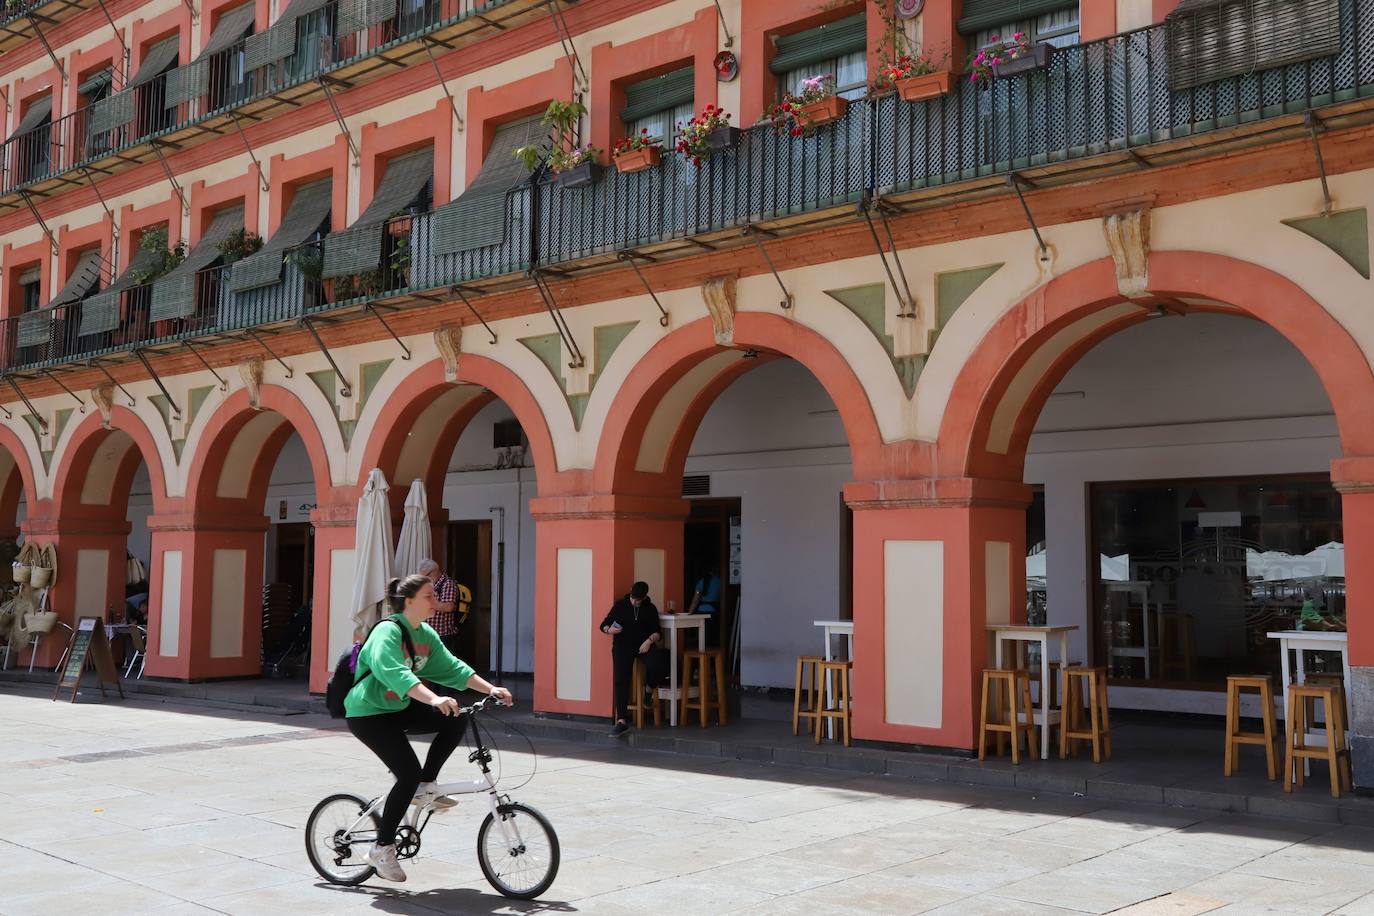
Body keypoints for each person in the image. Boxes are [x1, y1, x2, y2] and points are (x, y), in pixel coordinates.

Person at [345, 573, 512, 883]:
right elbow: (394, 672)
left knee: (457, 717)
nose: (436, 602)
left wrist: (491, 689)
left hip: (397, 708)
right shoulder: (387, 631)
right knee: (406, 773)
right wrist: (433, 698)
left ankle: (426, 783)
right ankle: (382, 849)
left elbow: (453, 668)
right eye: (428, 596)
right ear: (409, 601)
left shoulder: (425, 634)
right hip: (368, 714)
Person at [598, 581, 661, 738]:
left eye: (637, 600)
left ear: (644, 597)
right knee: (621, 680)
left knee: (657, 663)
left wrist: (649, 641)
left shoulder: (650, 608)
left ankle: (648, 690)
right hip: (622, 646)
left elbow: (657, 632)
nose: (634, 602)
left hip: (643, 645)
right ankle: (621, 721)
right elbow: (604, 624)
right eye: (633, 598)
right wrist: (609, 630)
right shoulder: (620, 605)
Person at [688, 568, 722, 646]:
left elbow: (695, 601)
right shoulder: (720, 581)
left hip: (701, 612)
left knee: (701, 635)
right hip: (713, 612)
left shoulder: (701, 582)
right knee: (712, 636)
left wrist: (689, 614)